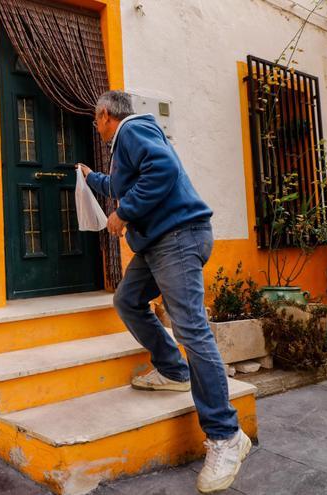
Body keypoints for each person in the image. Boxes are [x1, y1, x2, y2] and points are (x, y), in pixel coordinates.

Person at [79, 90, 250, 493]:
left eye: (94, 119)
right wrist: (92, 178)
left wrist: (122, 214)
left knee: (192, 329)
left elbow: (162, 171)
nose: (95, 126)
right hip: (159, 243)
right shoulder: (126, 146)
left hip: (177, 238)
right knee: (127, 300)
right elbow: (126, 182)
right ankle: (173, 370)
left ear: (105, 115)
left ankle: (227, 436)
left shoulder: (134, 130)